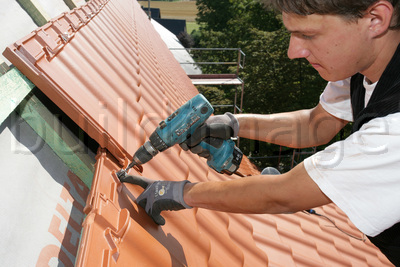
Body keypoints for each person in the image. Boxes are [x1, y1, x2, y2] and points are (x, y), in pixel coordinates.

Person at [120, 0, 400, 264]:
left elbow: (285, 193)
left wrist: (181, 192)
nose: (293, 52)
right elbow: (317, 124)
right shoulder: (362, 65)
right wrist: (231, 124)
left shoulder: (394, 129)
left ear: (375, 19)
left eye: (309, 35)